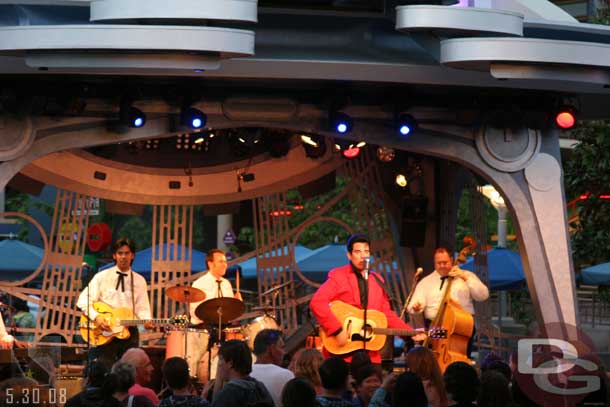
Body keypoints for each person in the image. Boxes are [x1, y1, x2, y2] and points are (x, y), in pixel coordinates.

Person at [310, 234, 425, 364]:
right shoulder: (339, 276)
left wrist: (409, 332)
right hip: (341, 353)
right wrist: (337, 330)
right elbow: (317, 302)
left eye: (366, 252)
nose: (363, 256)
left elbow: (385, 315)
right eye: (358, 252)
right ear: (349, 255)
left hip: (370, 355)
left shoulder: (377, 280)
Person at [77, 238, 154, 367]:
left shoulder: (139, 280)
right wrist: (97, 317)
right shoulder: (102, 276)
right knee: (105, 370)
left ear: (132, 255)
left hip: (129, 331)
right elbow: (83, 300)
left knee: (129, 371)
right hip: (105, 330)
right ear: (114, 255)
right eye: (120, 253)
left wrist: (147, 321)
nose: (123, 257)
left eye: (127, 253)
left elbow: (142, 307)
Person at [407, 247, 489, 355]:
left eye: (445, 262)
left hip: (462, 326)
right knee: (436, 356)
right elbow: (412, 307)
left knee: (461, 356)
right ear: (434, 263)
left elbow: (483, 295)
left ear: (451, 260)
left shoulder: (466, 275)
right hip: (435, 326)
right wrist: (416, 307)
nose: (441, 265)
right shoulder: (426, 282)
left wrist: (465, 277)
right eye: (438, 263)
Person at [210, 339, 274, 407]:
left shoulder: (229, 392)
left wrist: (204, 395)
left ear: (230, 363)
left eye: (220, 359)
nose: (218, 365)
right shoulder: (260, 387)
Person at [189, 249, 237, 326]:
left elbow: (229, 311)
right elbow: (195, 312)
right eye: (221, 262)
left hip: (223, 326)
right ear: (210, 264)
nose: (224, 265)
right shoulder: (199, 284)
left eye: (225, 262)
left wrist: (236, 303)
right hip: (202, 328)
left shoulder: (227, 284)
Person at [250, 329, 295, 407]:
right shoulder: (285, 375)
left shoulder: (244, 373)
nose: (284, 352)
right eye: (281, 347)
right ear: (272, 349)